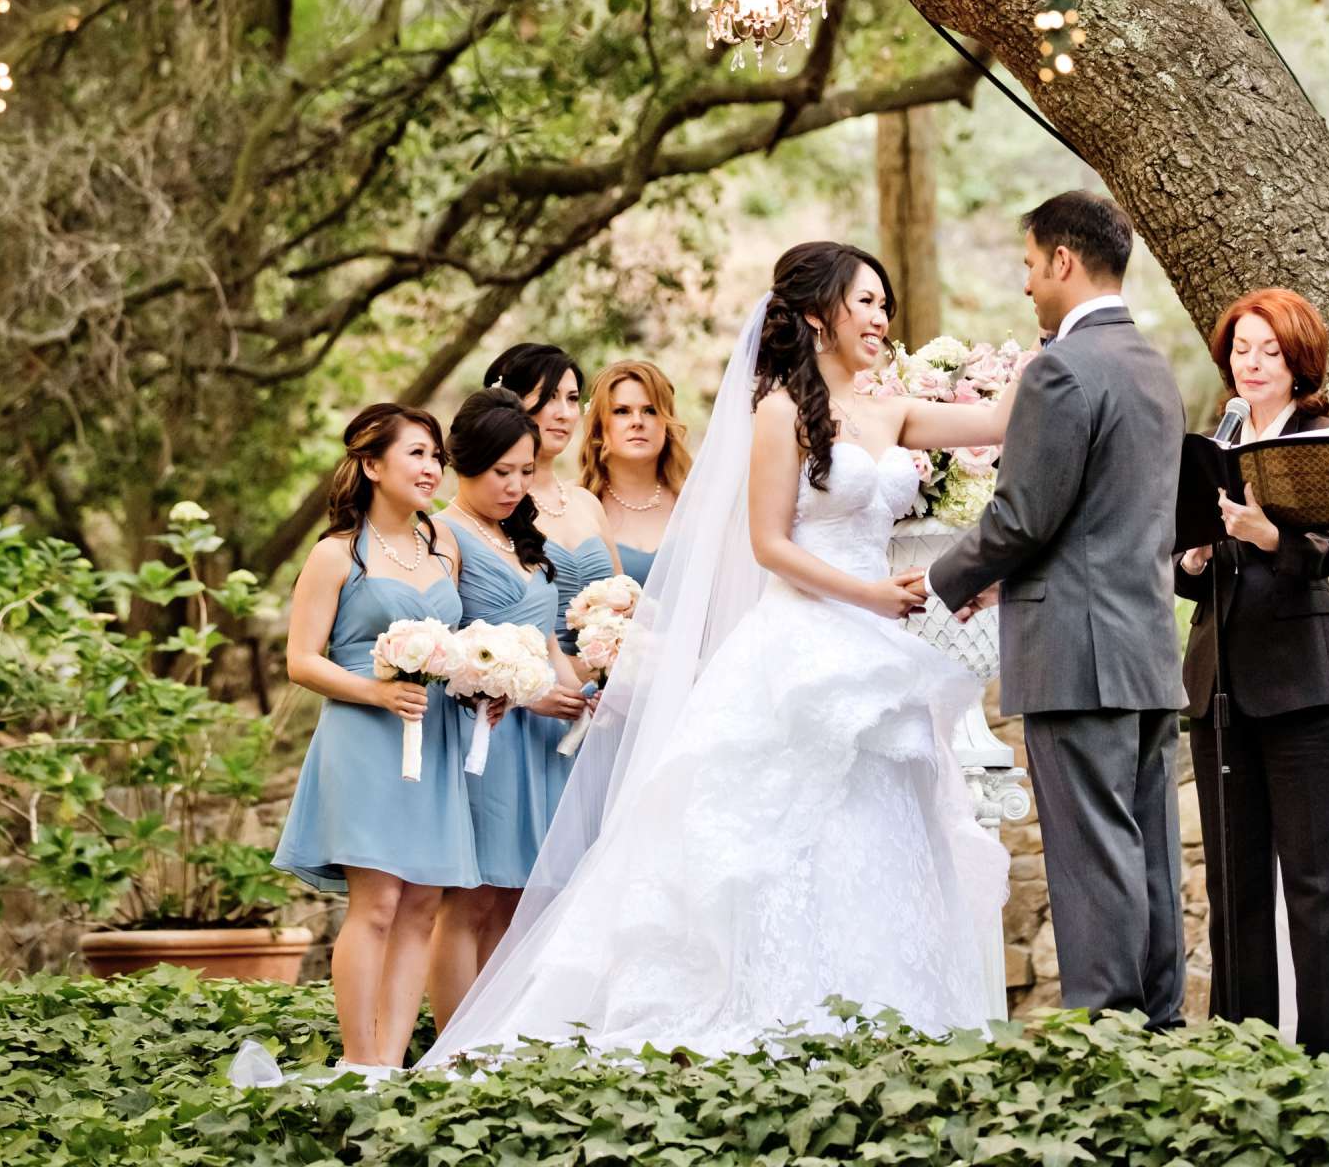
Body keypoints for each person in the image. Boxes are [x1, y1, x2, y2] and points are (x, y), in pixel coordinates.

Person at [422, 240, 1016, 1065]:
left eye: (886, 303)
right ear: (818, 315)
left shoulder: (890, 410)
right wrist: (872, 592)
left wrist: (1046, 349)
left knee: (874, 824)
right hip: (804, 638)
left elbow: (998, 421)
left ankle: (880, 1007)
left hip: (878, 652)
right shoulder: (778, 413)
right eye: (866, 302)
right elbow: (769, 545)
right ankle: (764, 1007)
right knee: (768, 834)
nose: (882, 318)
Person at [929, 190, 1188, 1029]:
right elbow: (1099, 516)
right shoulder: (1154, 366)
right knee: (1147, 853)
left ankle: (1105, 1039)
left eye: (1032, 265)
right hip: (1146, 649)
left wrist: (941, 577)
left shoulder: (1062, 368)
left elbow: (1022, 516)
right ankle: (1162, 1032)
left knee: (1089, 858)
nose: (1027, 285)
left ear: (1064, 262)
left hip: (1077, 657)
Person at [1176, 287, 1329, 1055]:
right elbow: (1194, 575)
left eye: (1269, 352)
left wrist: (1262, 536)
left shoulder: (1321, 438)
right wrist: (1189, 556)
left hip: (1305, 688)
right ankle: (1243, 1064)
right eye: (1241, 350)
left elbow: (1326, 553)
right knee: (1235, 889)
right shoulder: (1217, 435)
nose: (1251, 364)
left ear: (1299, 364)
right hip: (1219, 683)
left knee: (1320, 891)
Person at [273, 404, 478, 1074]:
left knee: (422, 900)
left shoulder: (443, 546)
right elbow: (301, 660)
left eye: (435, 456)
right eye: (417, 453)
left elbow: (458, 645)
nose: (431, 468)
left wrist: (481, 685)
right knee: (379, 901)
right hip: (363, 735)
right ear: (371, 464)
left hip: (436, 734)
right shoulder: (336, 554)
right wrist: (375, 691)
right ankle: (359, 1062)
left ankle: (391, 1065)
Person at [427, 390, 591, 1027]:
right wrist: (524, 691)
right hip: (484, 734)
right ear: (464, 462)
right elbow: (443, 638)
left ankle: (499, 1036)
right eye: (502, 472)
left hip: (544, 737)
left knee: (518, 896)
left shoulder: (520, 536)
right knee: (471, 896)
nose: (516, 486)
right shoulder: (444, 533)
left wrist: (581, 693)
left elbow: (549, 636)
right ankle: (453, 1045)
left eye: (526, 472)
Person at [483, 344, 620, 645]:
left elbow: (624, 604)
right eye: (549, 397)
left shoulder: (586, 502)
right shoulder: (493, 505)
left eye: (572, 399)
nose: (565, 413)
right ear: (511, 403)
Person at [578, 357, 692, 584]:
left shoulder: (695, 502)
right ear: (600, 425)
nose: (637, 422)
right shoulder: (576, 504)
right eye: (622, 411)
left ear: (666, 422)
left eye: (650, 410)